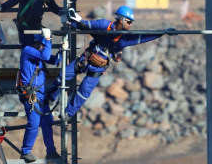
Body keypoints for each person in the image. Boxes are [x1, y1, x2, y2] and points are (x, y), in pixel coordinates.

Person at [45, 6, 174, 120]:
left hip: (98, 68)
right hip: (86, 59)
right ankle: (51, 97)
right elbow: (86, 26)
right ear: (122, 20)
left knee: (84, 91)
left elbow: (144, 36)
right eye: (129, 22)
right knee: (64, 75)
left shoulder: (126, 38)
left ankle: (68, 113)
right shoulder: (103, 25)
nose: (130, 25)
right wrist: (72, 21)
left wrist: (163, 32)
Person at [17, 29, 59, 163]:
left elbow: (55, 60)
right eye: (42, 45)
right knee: (33, 123)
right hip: (32, 95)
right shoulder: (28, 51)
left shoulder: (39, 57)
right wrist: (48, 39)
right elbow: (46, 56)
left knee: (47, 122)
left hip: (41, 96)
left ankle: (51, 151)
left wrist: (65, 49)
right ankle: (26, 151)